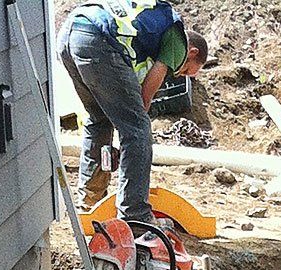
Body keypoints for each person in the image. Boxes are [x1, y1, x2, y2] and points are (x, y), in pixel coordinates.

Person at [57, 2, 208, 219]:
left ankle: (90, 203)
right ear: (192, 52)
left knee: (99, 119)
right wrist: (133, 135)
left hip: (71, 33)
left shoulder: (149, 30)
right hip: (99, 39)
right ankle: (135, 214)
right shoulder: (178, 40)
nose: (178, 74)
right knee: (138, 130)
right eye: (185, 70)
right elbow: (147, 93)